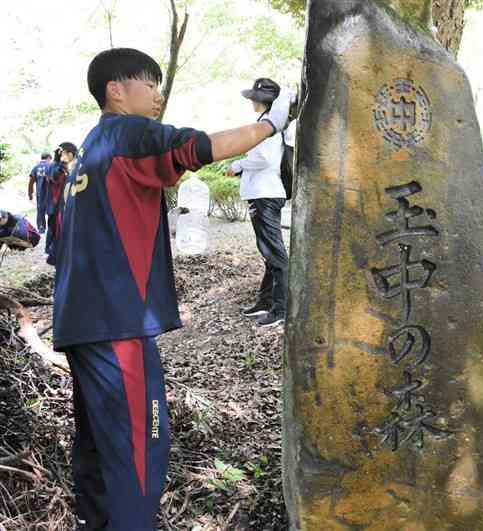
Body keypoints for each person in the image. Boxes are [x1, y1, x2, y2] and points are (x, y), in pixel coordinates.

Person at [51, 47, 291, 531]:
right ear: (116, 91)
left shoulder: (90, 150)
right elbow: (202, 148)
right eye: (148, 83)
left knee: (98, 447)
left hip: (77, 322)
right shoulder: (129, 134)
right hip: (117, 322)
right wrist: (272, 124)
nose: (157, 95)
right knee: (141, 448)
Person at [228, 78, 291, 328]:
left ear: (263, 102)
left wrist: (238, 165)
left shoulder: (268, 126)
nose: (252, 101)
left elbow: (263, 159)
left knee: (275, 254)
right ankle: (265, 302)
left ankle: (281, 309)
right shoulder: (266, 124)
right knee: (269, 253)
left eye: (255, 98)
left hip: (264, 195)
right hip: (263, 194)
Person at [44, 142, 78, 262]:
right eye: (61, 154)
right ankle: (51, 253)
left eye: (64, 154)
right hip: (57, 205)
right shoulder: (56, 167)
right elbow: (55, 178)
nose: (63, 156)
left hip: (63, 204)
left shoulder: (75, 166)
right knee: (55, 229)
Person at [27, 153, 52, 233]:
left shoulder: (35, 167)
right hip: (51, 193)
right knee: (52, 211)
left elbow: (31, 182)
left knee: (40, 211)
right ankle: (52, 229)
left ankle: (41, 227)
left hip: (40, 193)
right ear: (48, 158)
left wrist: (30, 194)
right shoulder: (51, 166)